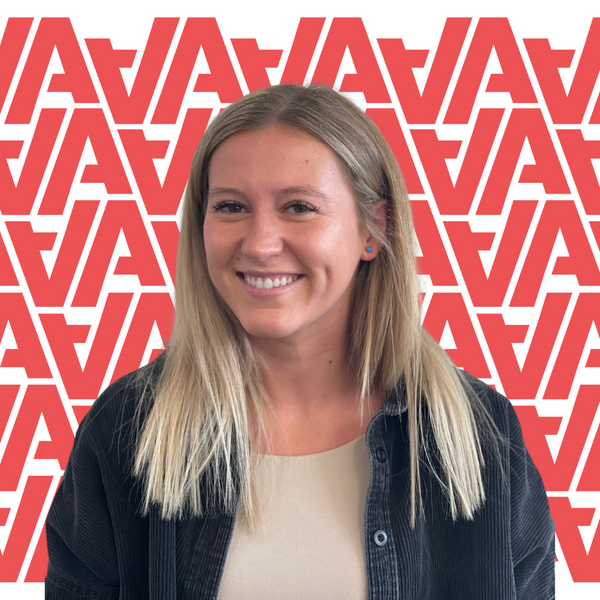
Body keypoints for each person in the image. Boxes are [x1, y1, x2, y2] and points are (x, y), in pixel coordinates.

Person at [45, 84, 555, 599]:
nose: (260, 243)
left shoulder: (481, 437)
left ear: (372, 229)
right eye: (230, 206)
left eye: (298, 207)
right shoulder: (126, 431)